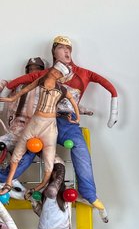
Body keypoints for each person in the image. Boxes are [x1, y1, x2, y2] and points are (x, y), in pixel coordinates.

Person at [0, 36, 118, 221]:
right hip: (43, 122)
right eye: (62, 48)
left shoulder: (81, 75)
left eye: (69, 48)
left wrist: (112, 111)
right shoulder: (44, 76)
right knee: (30, 148)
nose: (67, 51)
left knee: (79, 147)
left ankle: (88, 194)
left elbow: (109, 88)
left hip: (66, 123)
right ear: (53, 52)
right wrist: (6, 91)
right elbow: (19, 84)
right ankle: (2, 179)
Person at [0, 62, 80, 195]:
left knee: (49, 159)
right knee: (17, 153)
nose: (54, 73)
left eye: (58, 72)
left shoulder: (62, 90)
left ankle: (41, 185)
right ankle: (8, 183)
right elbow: (26, 89)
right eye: (54, 70)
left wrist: (77, 118)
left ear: (61, 76)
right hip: (33, 122)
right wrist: (11, 98)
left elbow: (73, 101)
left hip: (49, 126)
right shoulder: (40, 81)